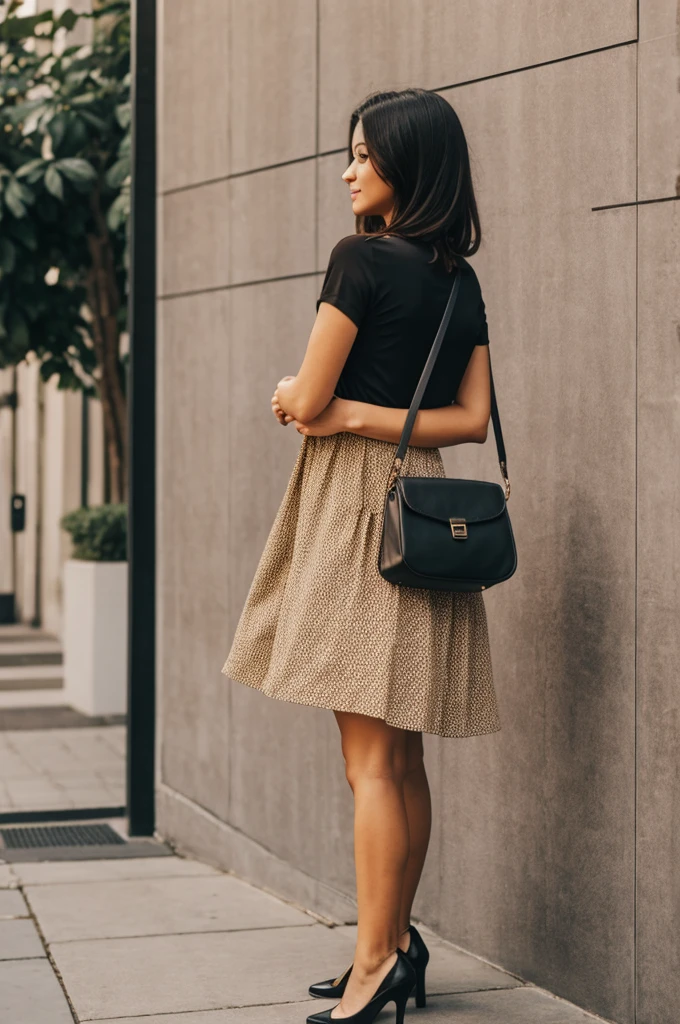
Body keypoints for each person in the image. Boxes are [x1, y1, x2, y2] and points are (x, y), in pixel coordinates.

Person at [222, 87, 501, 1024]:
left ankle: (377, 961)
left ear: (406, 168)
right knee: (404, 754)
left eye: (363, 156)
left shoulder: (359, 260)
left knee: (370, 761)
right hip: (420, 502)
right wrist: (346, 410)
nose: (347, 171)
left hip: (357, 505)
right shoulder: (459, 279)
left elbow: (308, 401)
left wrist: (315, 403)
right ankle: (393, 943)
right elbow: (466, 421)